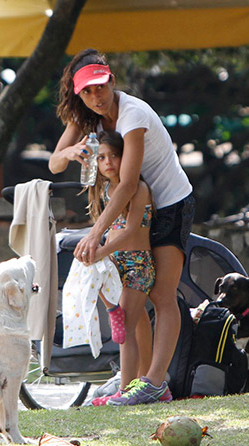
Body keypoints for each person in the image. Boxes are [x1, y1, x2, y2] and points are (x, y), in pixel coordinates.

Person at [49, 48, 194, 405]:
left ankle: (156, 383)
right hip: (131, 211)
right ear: (78, 93)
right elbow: (53, 164)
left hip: (169, 205)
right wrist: (68, 154)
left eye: (100, 87)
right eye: (87, 91)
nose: (95, 97)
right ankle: (134, 380)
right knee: (130, 301)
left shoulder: (133, 115)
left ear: (111, 81)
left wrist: (95, 233)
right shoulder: (86, 117)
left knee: (162, 295)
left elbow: (128, 183)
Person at [82, 131, 158, 406]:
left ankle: (126, 389)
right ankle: (146, 381)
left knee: (126, 323)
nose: (108, 162)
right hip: (117, 264)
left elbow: (131, 231)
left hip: (137, 264)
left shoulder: (137, 188)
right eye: (101, 157)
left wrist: (100, 250)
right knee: (137, 324)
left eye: (114, 155)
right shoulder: (106, 191)